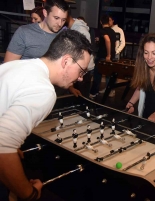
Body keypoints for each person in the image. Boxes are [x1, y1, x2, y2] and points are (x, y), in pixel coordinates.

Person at [0, 29, 92, 201]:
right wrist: (29, 194)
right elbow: (1, 147)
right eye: (82, 71)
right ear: (66, 61)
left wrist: (13, 145)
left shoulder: (17, 65)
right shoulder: (44, 91)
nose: (80, 78)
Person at [4, 0, 69, 62]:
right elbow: (8, 65)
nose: (60, 23)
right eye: (56, 18)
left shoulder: (65, 35)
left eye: (63, 20)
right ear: (45, 13)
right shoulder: (24, 32)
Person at [67, 13, 95, 97]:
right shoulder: (73, 29)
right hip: (79, 70)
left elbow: (85, 53)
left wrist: (81, 72)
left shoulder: (80, 30)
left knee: (81, 97)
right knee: (76, 95)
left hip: (83, 71)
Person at [89, 14, 116, 98]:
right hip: (112, 55)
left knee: (97, 74)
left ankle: (93, 92)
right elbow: (113, 43)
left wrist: (108, 55)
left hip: (103, 55)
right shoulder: (113, 31)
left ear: (101, 22)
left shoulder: (102, 31)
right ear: (108, 21)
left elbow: (107, 40)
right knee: (109, 74)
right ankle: (110, 91)